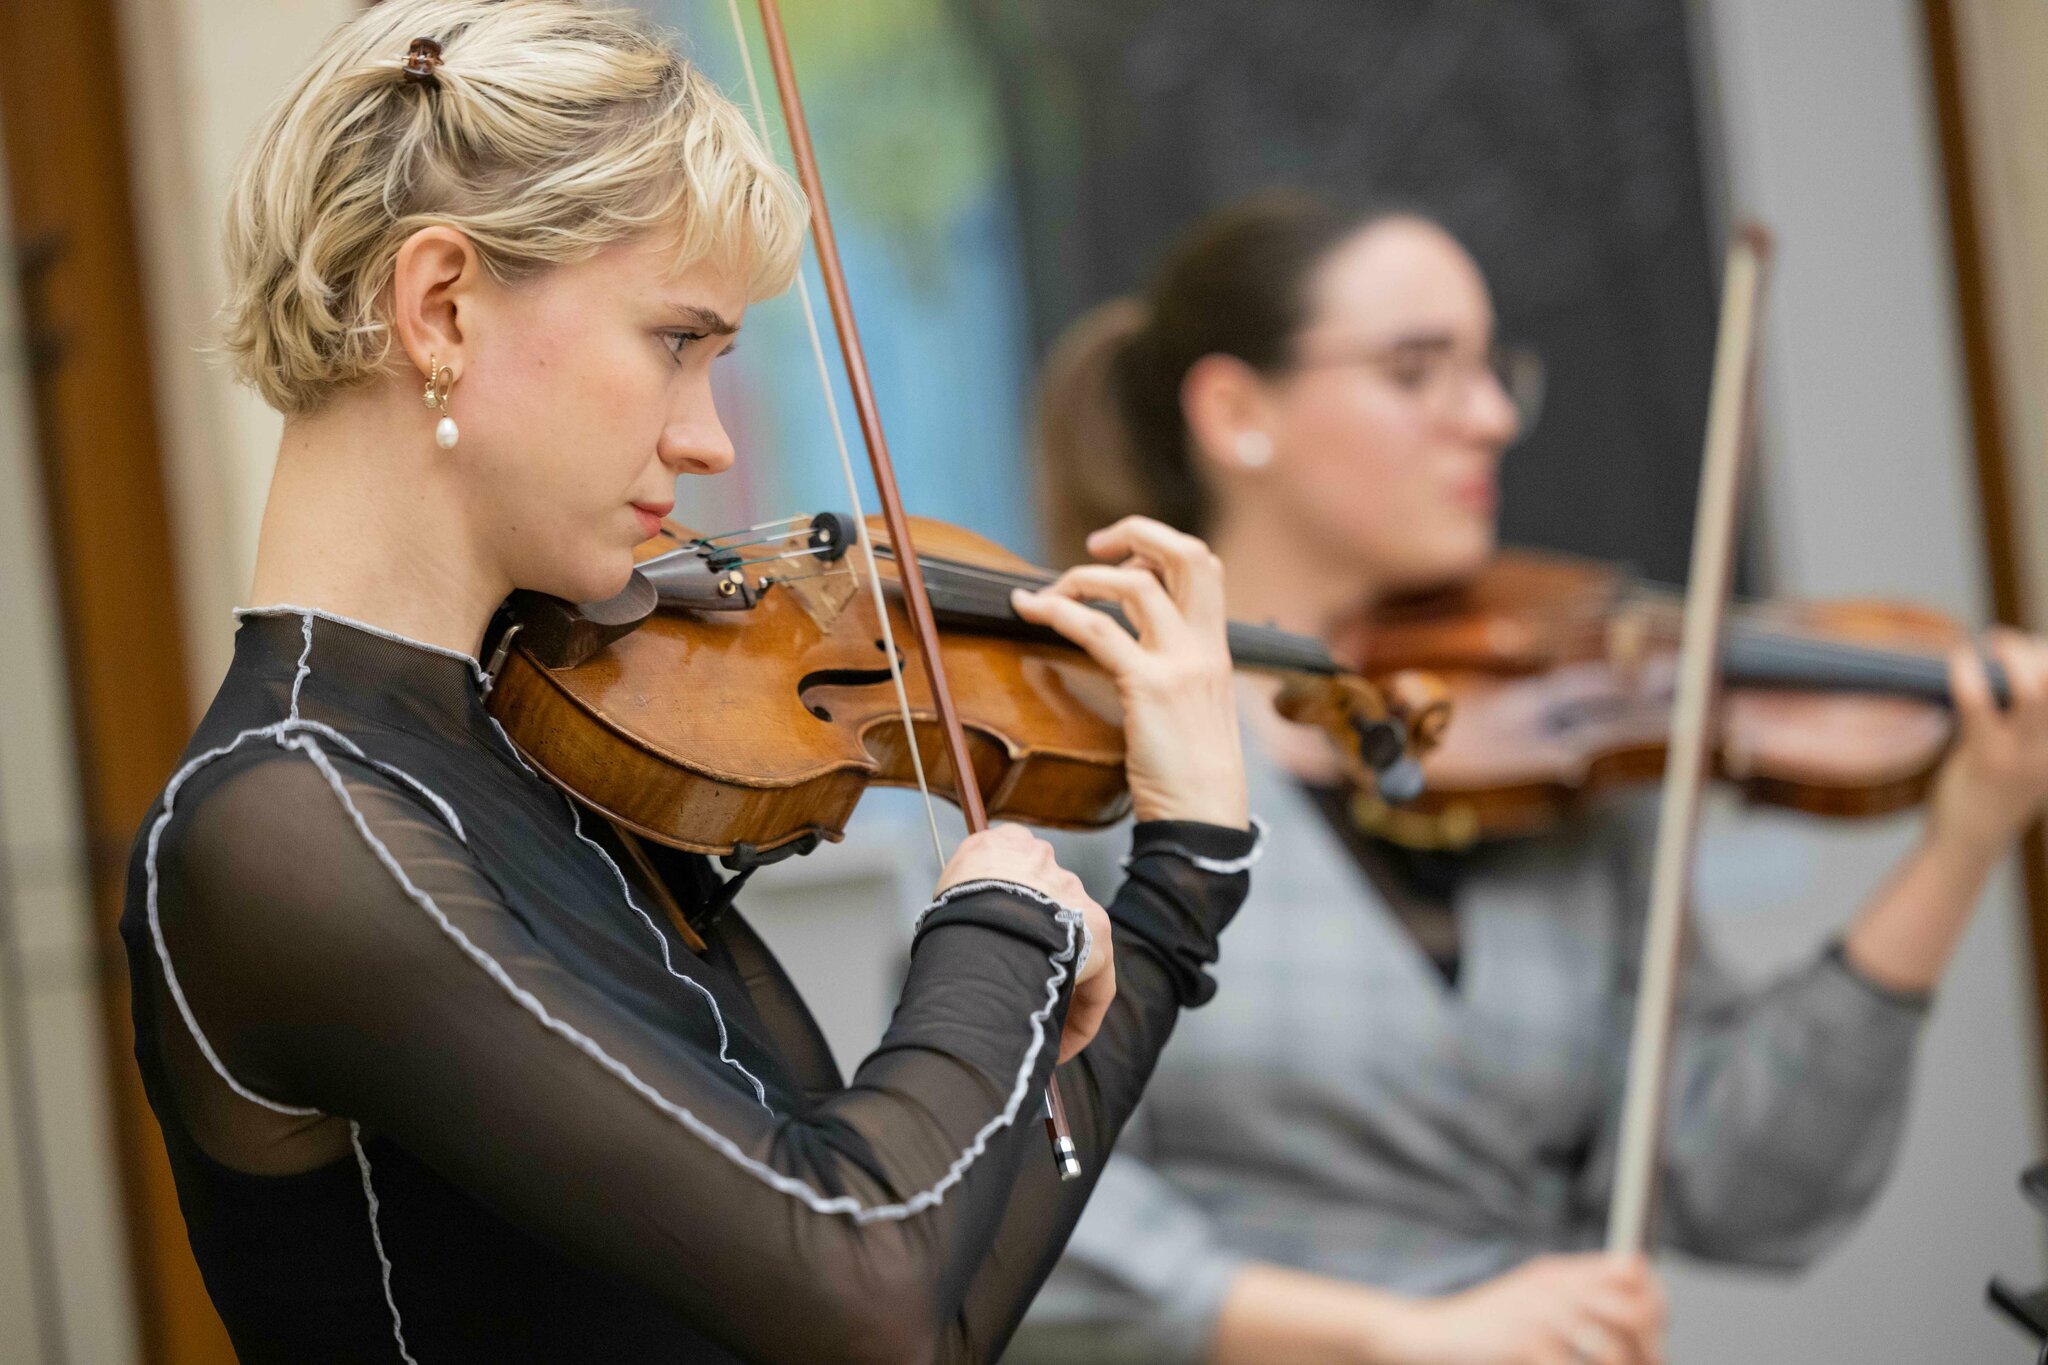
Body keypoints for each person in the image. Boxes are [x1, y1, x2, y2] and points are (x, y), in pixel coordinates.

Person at [120, 4, 1261, 1361]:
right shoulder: (291, 822)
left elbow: (934, 1317)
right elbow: (866, 1289)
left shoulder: (554, 751)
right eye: (677, 340)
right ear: (440, 308)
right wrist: (1001, 920)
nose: (712, 440)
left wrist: (1182, 879)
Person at [1008, 194, 2048, 1365]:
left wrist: (1961, 844)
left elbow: (1734, 1183)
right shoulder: (1088, 757)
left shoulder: (1555, 753)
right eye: (1416, 371)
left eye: (1492, 371)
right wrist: (1395, 1338)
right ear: (1236, 413)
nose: (1492, 418)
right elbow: (1002, 1189)